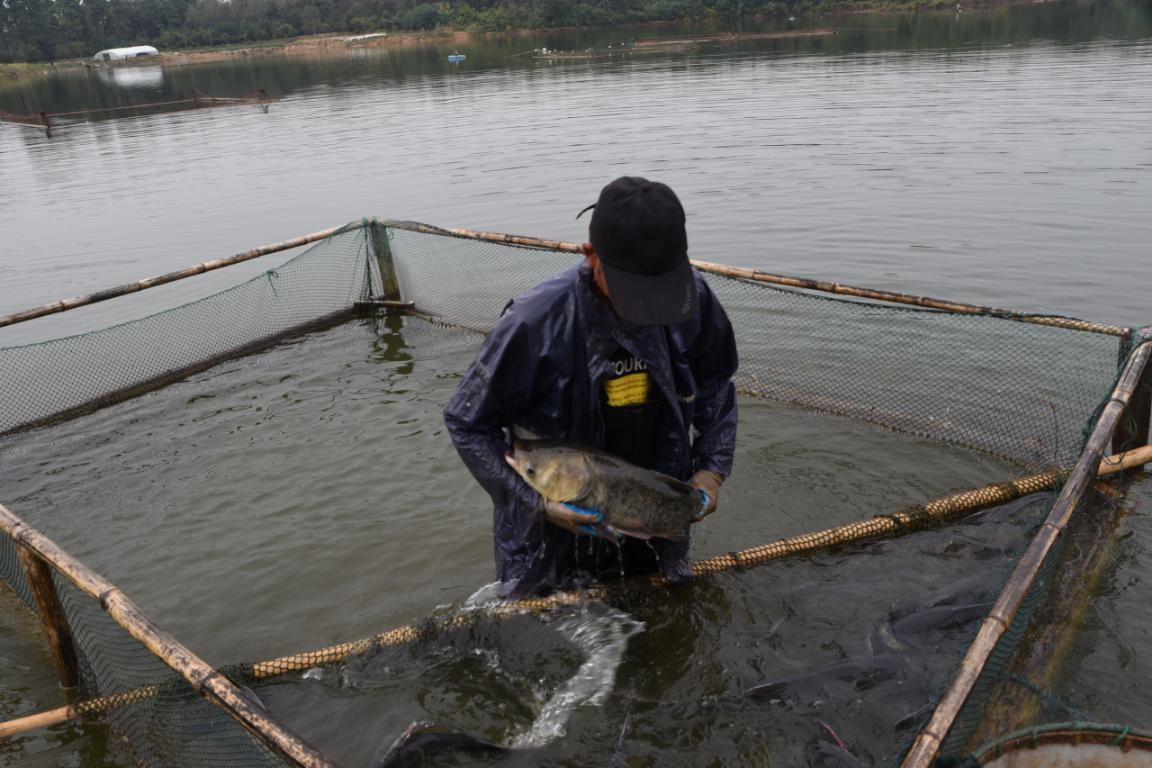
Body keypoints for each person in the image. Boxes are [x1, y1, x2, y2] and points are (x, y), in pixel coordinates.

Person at [443, 177, 738, 596]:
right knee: (543, 639)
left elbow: (716, 383)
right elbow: (467, 424)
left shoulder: (695, 300)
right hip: (552, 528)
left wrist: (711, 472)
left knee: (665, 625)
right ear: (590, 255)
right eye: (633, 290)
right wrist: (537, 506)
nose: (648, 305)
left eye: (659, 288)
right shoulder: (532, 322)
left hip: (652, 509)